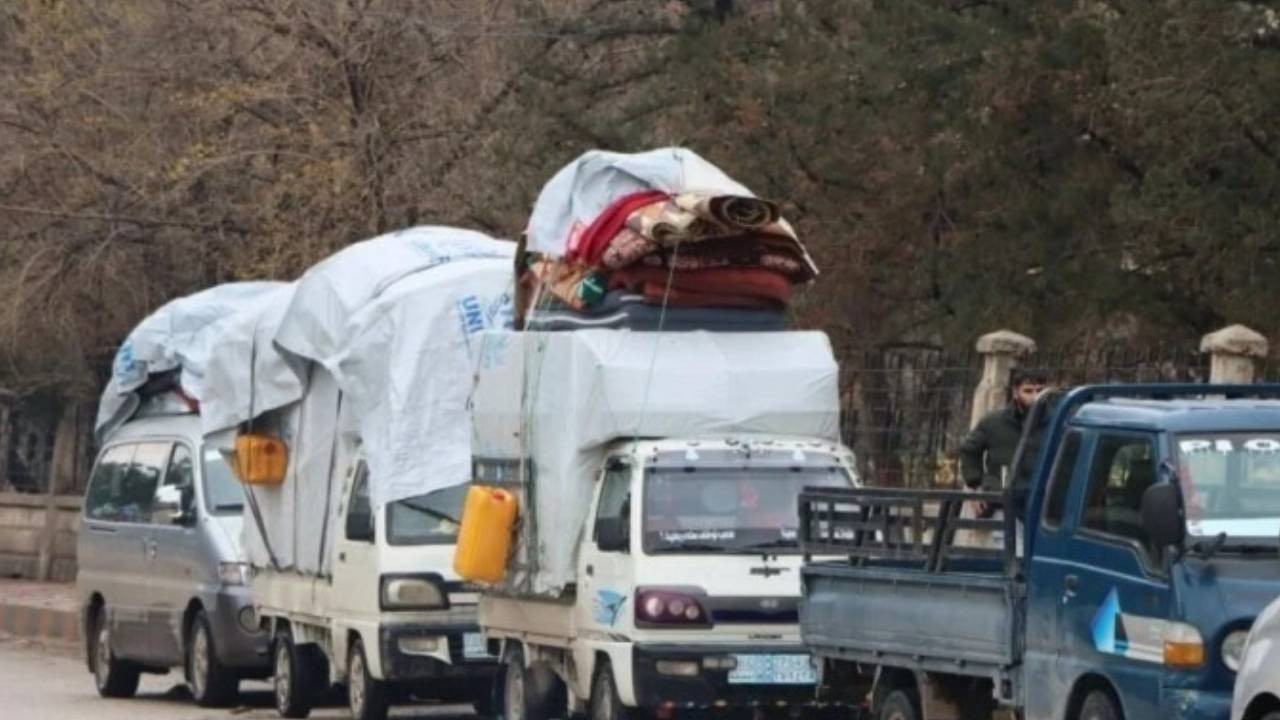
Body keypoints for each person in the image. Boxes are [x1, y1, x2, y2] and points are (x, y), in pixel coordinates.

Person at [960, 368, 1049, 515]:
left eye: (1039, 391)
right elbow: (969, 450)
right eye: (1028, 391)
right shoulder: (993, 422)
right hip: (1002, 503)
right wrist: (976, 485)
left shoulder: (1058, 423)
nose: (1035, 397)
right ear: (1015, 392)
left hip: (1044, 507)